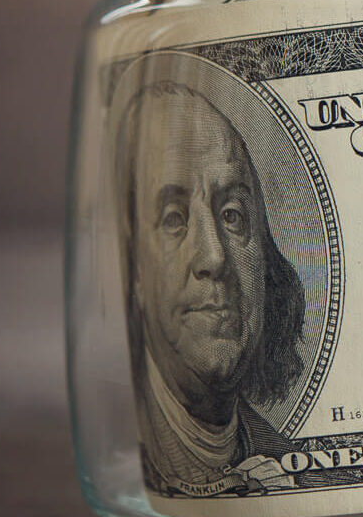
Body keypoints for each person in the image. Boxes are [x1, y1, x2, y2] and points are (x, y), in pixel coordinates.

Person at [121, 82, 305, 496]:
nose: (214, 258)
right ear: (131, 267)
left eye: (233, 215)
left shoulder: (289, 459)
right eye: (173, 219)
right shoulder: (131, 456)